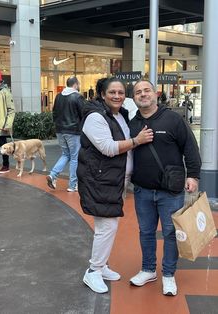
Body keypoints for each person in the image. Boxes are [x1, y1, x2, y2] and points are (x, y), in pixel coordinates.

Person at [77, 77, 153, 294]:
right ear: (102, 94)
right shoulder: (95, 117)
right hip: (99, 179)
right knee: (106, 226)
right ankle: (93, 271)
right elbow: (108, 148)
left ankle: (101, 266)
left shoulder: (120, 114)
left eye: (121, 92)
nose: (117, 96)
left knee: (109, 225)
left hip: (115, 179)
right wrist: (137, 140)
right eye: (112, 92)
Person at [129, 80, 201, 296]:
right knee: (146, 232)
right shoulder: (133, 124)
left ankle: (168, 274)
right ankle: (148, 269)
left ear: (155, 93)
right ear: (134, 98)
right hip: (142, 190)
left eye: (146, 90)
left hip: (170, 191)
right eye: (138, 92)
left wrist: (194, 176)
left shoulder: (173, 119)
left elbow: (190, 148)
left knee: (170, 233)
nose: (143, 94)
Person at [46, 76, 86, 191]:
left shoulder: (58, 96)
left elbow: (54, 113)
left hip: (60, 130)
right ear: (76, 84)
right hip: (73, 131)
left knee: (65, 154)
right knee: (74, 157)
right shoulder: (78, 97)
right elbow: (84, 114)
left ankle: (53, 175)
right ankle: (72, 185)